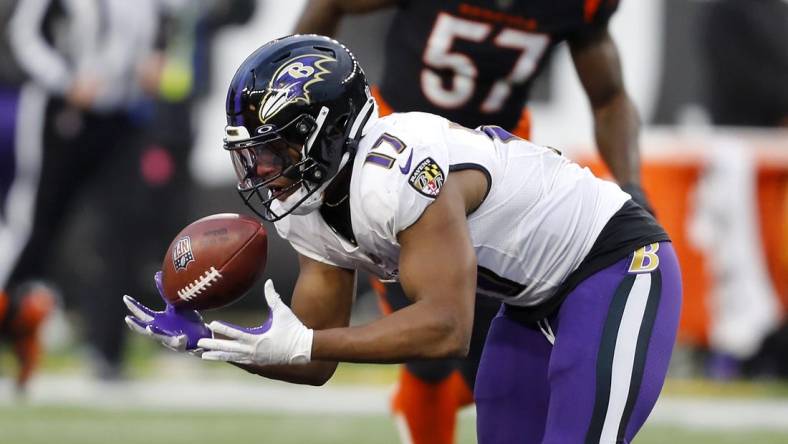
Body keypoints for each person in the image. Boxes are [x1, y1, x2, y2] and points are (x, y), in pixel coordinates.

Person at [124, 34, 681, 443]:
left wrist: (304, 343)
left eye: (275, 148)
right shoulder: (305, 206)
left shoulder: (400, 170)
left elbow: (445, 328)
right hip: (529, 301)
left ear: (326, 133)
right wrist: (214, 341)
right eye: (252, 154)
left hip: (615, 265)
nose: (262, 169)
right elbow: (314, 357)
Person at [293, 1, 652, 441]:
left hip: (494, 186)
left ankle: (423, 399)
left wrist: (633, 184)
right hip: (394, 176)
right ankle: (424, 404)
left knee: (493, 353)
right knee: (430, 346)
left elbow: (609, 96)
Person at [1, 0, 160, 387]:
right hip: (62, 111)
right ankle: (10, 319)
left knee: (123, 230)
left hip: (122, 116)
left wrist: (155, 56)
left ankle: (108, 352)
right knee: (32, 224)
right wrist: (65, 80)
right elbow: (24, 32)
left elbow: (158, 26)